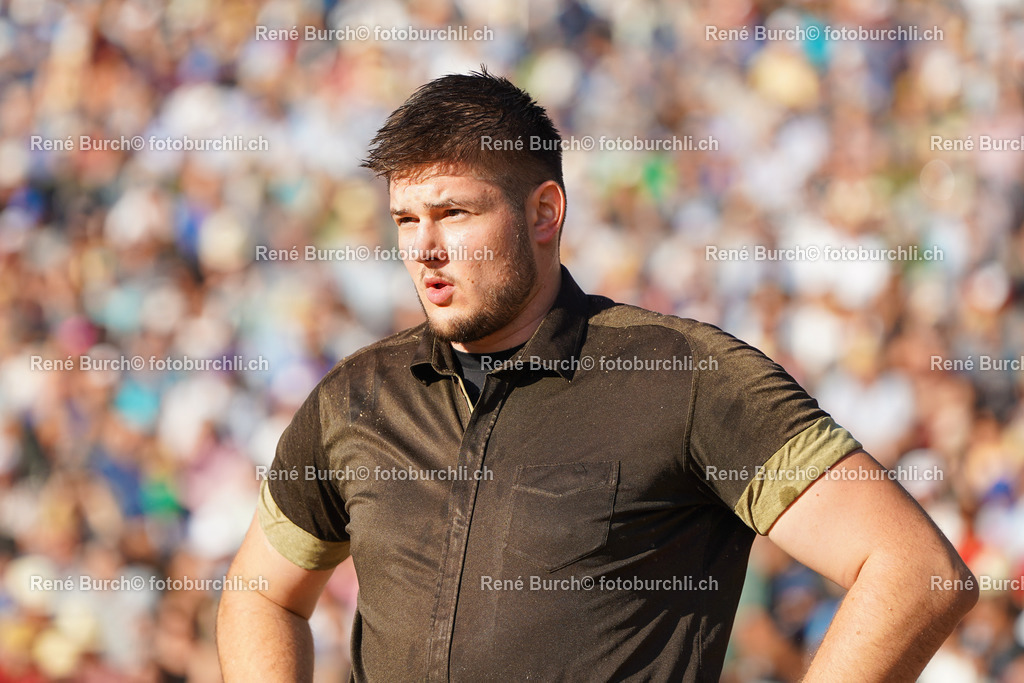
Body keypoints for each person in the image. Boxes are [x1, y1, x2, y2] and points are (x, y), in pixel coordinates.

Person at [216, 68, 978, 682]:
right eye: (406, 221)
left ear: (544, 212)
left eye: (454, 213)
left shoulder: (685, 375)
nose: (426, 248)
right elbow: (260, 596)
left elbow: (913, 569)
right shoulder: (357, 396)